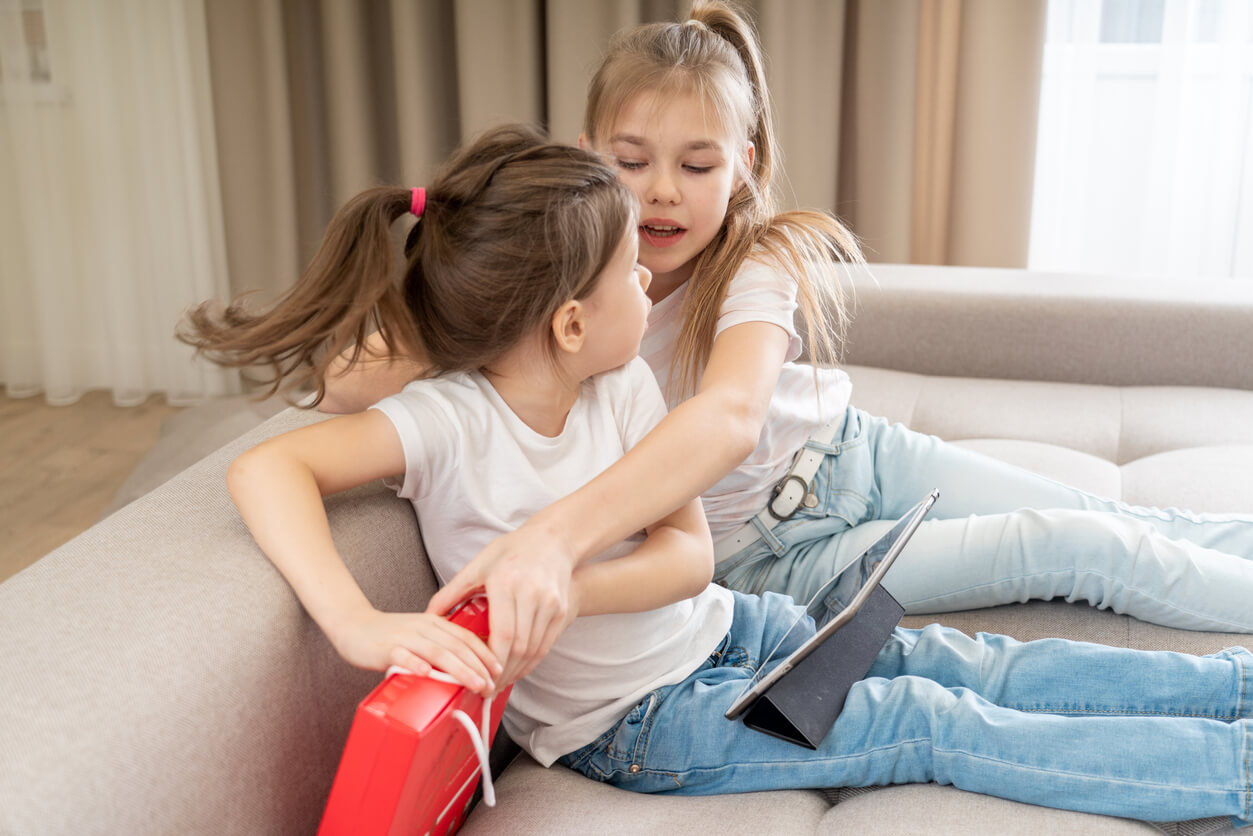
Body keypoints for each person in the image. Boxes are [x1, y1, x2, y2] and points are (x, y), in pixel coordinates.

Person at [182, 124, 1253, 826]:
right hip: (639, 728)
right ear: (566, 321)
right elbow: (269, 468)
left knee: (953, 658)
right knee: (928, 718)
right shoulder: (442, 425)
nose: (649, 280)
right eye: (626, 276)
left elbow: (689, 558)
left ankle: (1233, 692)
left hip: (726, 630)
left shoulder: (625, 395)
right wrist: (356, 626)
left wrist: (566, 580)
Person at [317, 0, 1253, 688]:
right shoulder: (559, 297)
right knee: (1076, 543)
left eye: (697, 165)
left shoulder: (758, 256)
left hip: (857, 457)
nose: (660, 195)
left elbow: (729, 417)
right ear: (586, 155)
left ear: (746, 165)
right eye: (628, 164)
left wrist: (556, 539)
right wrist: (476, 305)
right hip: (774, 557)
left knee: (1133, 522)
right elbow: (342, 380)